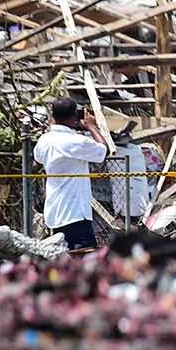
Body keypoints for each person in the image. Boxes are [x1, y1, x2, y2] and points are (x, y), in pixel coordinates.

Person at [33, 97, 111, 252]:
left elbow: (38, 157)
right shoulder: (76, 141)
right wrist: (92, 127)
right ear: (76, 116)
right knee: (87, 259)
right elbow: (104, 150)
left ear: (53, 114)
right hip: (75, 213)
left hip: (55, 213)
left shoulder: (44, 140)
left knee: (63, 258)